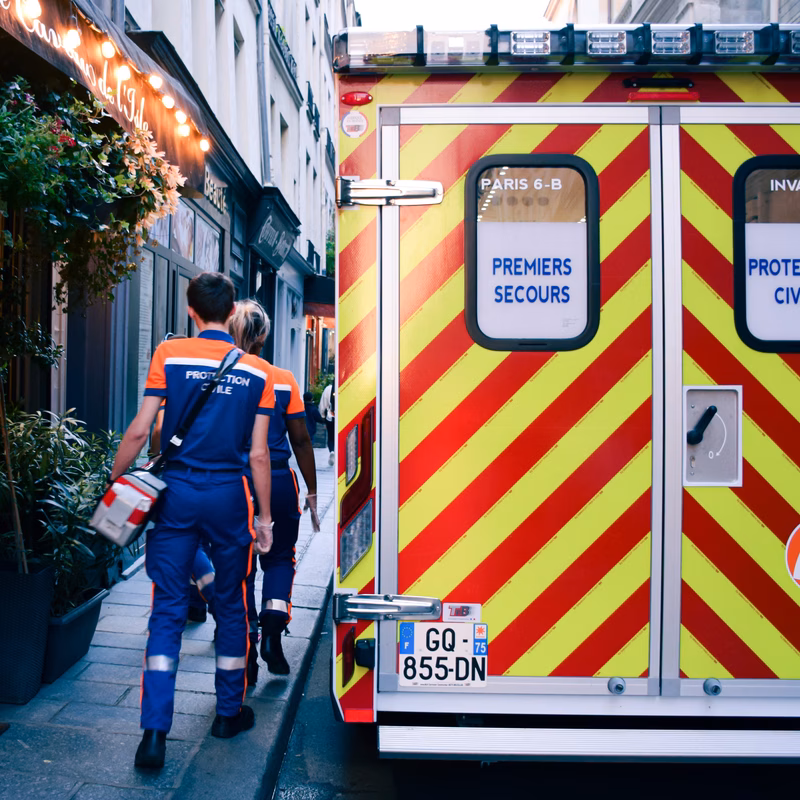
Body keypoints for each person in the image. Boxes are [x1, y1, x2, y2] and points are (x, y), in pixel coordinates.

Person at [109, 273, 275, 771]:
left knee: (166, 610)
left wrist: (117, 483)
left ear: (191, 310)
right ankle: (228, 713)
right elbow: (259, 455)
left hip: (177, 494)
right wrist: (265, 517)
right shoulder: (258, 371)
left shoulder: (169, 354)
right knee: (232, 604)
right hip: (229, 495)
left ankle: (154, 735)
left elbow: (141, 430)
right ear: (232, 312)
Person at [229, 300, 321, 679]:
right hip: (280, 481)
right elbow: (301, 439)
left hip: (234, 483)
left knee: (240, 570)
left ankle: (246, 650)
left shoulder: (222, 376)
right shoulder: (283, 379)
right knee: (280, 557)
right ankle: (272, 629)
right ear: (263, 336)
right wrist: (312, 492)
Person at [319, 382, 335, 467]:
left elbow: (323, 405)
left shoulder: (328, 389)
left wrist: (322, 416)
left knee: (331, 437)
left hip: (330, 416)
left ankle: (332, 451)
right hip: (341, 417)